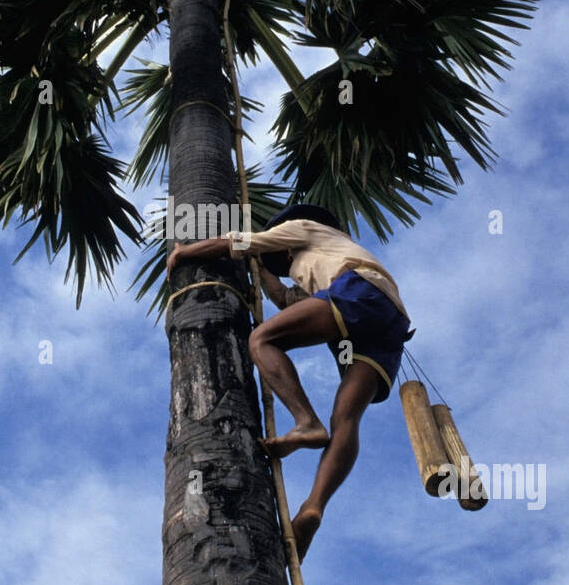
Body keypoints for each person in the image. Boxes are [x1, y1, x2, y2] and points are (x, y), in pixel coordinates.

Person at [165, 204, 414, 560]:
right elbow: (286, 300)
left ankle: (305, 422)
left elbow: (240, 241)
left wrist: (185, 250)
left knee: (261, 341)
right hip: (389, 320)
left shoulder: (305, 228)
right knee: (346, 418)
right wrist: (261, 272)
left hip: (359, 291)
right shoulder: (315, 265)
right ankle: (313, 506)